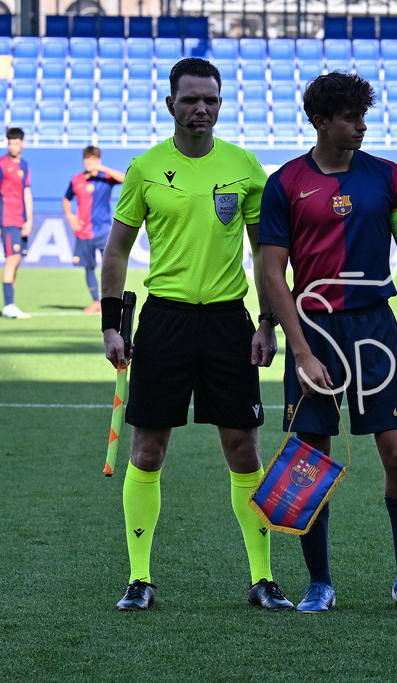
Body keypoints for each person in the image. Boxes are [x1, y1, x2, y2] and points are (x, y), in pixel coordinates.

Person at [101, 58, 292, 612]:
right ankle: (140, 579)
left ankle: (262, 579)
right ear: (170, 105)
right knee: (148, 448)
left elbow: (267, 254)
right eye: (190, 100)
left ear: (220, 103)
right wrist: (111, 325)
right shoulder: (144, 168)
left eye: (210, 99)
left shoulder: (244, 167)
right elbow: (116, 250)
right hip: (164, 322)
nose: (201, 108)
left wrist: (266, 322)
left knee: (243, 449)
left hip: (229, 323)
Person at [259, 71, 397, 614]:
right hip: (313, 328)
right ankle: (320, 583)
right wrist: (301, 350)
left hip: (374, 329)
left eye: (363, 116)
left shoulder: (389, 176)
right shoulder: (285, 183)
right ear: (320, 121)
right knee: (310, 460)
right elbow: (272, 272)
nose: (361, 126)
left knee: (396, 452)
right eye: (349, 117)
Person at [63, 146, 125, 314]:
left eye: (93, 159)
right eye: (87, 159)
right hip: (83, 233)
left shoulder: (106, 178)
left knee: (111, 266)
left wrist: (102, 168)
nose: (89, 163)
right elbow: (66, 198)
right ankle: (96, 302)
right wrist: (70, 215)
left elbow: (125, 179)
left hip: (104, 231)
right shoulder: (76, 180)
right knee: (89, 268)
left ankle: (115, 303)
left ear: (98, 160)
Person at [0, 127, 33, 319]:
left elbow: (27, 192)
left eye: (16, 143)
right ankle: (8, 305)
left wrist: (29, 219)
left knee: (17, 259)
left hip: (20, 219)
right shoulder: (1, 164)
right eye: (10, 143)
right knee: (12, 259)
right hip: (7, 218)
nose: (13, 146)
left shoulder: (25, 165)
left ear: (22, 144)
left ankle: (10, 304)